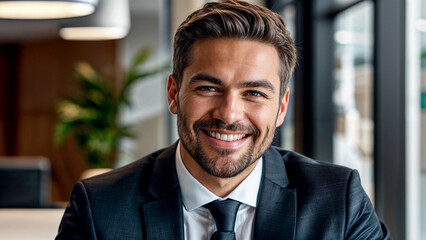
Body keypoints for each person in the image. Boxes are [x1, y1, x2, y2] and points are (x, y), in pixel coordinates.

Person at [56, 1, 390, 239]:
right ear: (174, 93)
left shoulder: (337, 201)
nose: (229, 114)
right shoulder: (100, 207)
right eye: (208, 88)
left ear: (282, 107)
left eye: (254, 93)